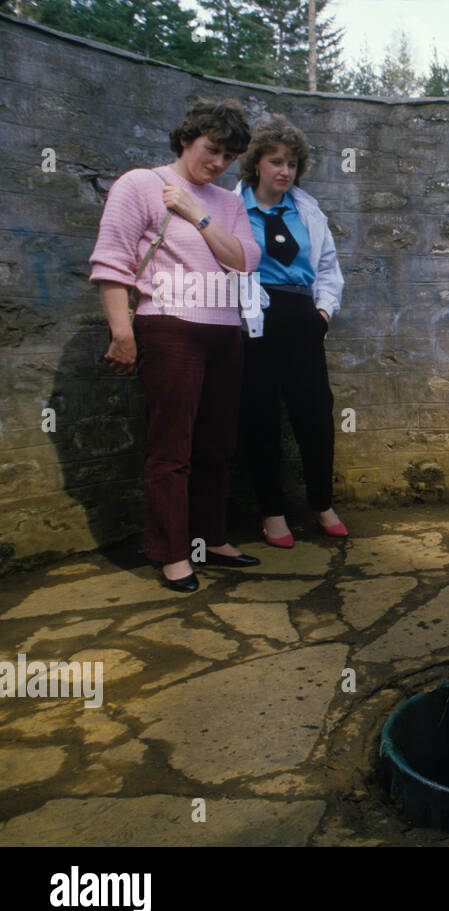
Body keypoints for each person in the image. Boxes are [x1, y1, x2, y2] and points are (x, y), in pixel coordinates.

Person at [91, 98, 262, 592]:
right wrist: (122, 332)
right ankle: (171, 552)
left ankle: (210, 539)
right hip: (168, 327)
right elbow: (112, 262)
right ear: (186, 138)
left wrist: (195, 213)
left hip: (225, 332)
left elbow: (246, 260)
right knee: (172, 448)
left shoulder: (227, 202)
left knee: (217, 444)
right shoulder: (141, 184)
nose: (218, 164)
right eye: (212, 151)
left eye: (228, 158)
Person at [234, 115, 346, 548]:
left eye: (292, 164)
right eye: (275, 161)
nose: (284, 171)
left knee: (316, 414)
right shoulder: (232, 208)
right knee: (259, 416)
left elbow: (327, 269)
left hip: (302, 317)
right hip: (253, 320)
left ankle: (322, 503)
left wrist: (321, 313)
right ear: (257, 163)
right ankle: (273, 512)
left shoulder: (307, 210)